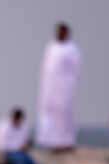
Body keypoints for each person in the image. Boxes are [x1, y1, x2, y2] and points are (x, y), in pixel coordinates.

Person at [36, 22, 82, 152]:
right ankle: (52, 142)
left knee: (64, 114)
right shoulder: (51, 47)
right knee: (49, 114)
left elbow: (76, 69)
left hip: (64, 87)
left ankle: (66, 142)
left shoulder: (72, 49)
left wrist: (69, 83)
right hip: (49, 87)